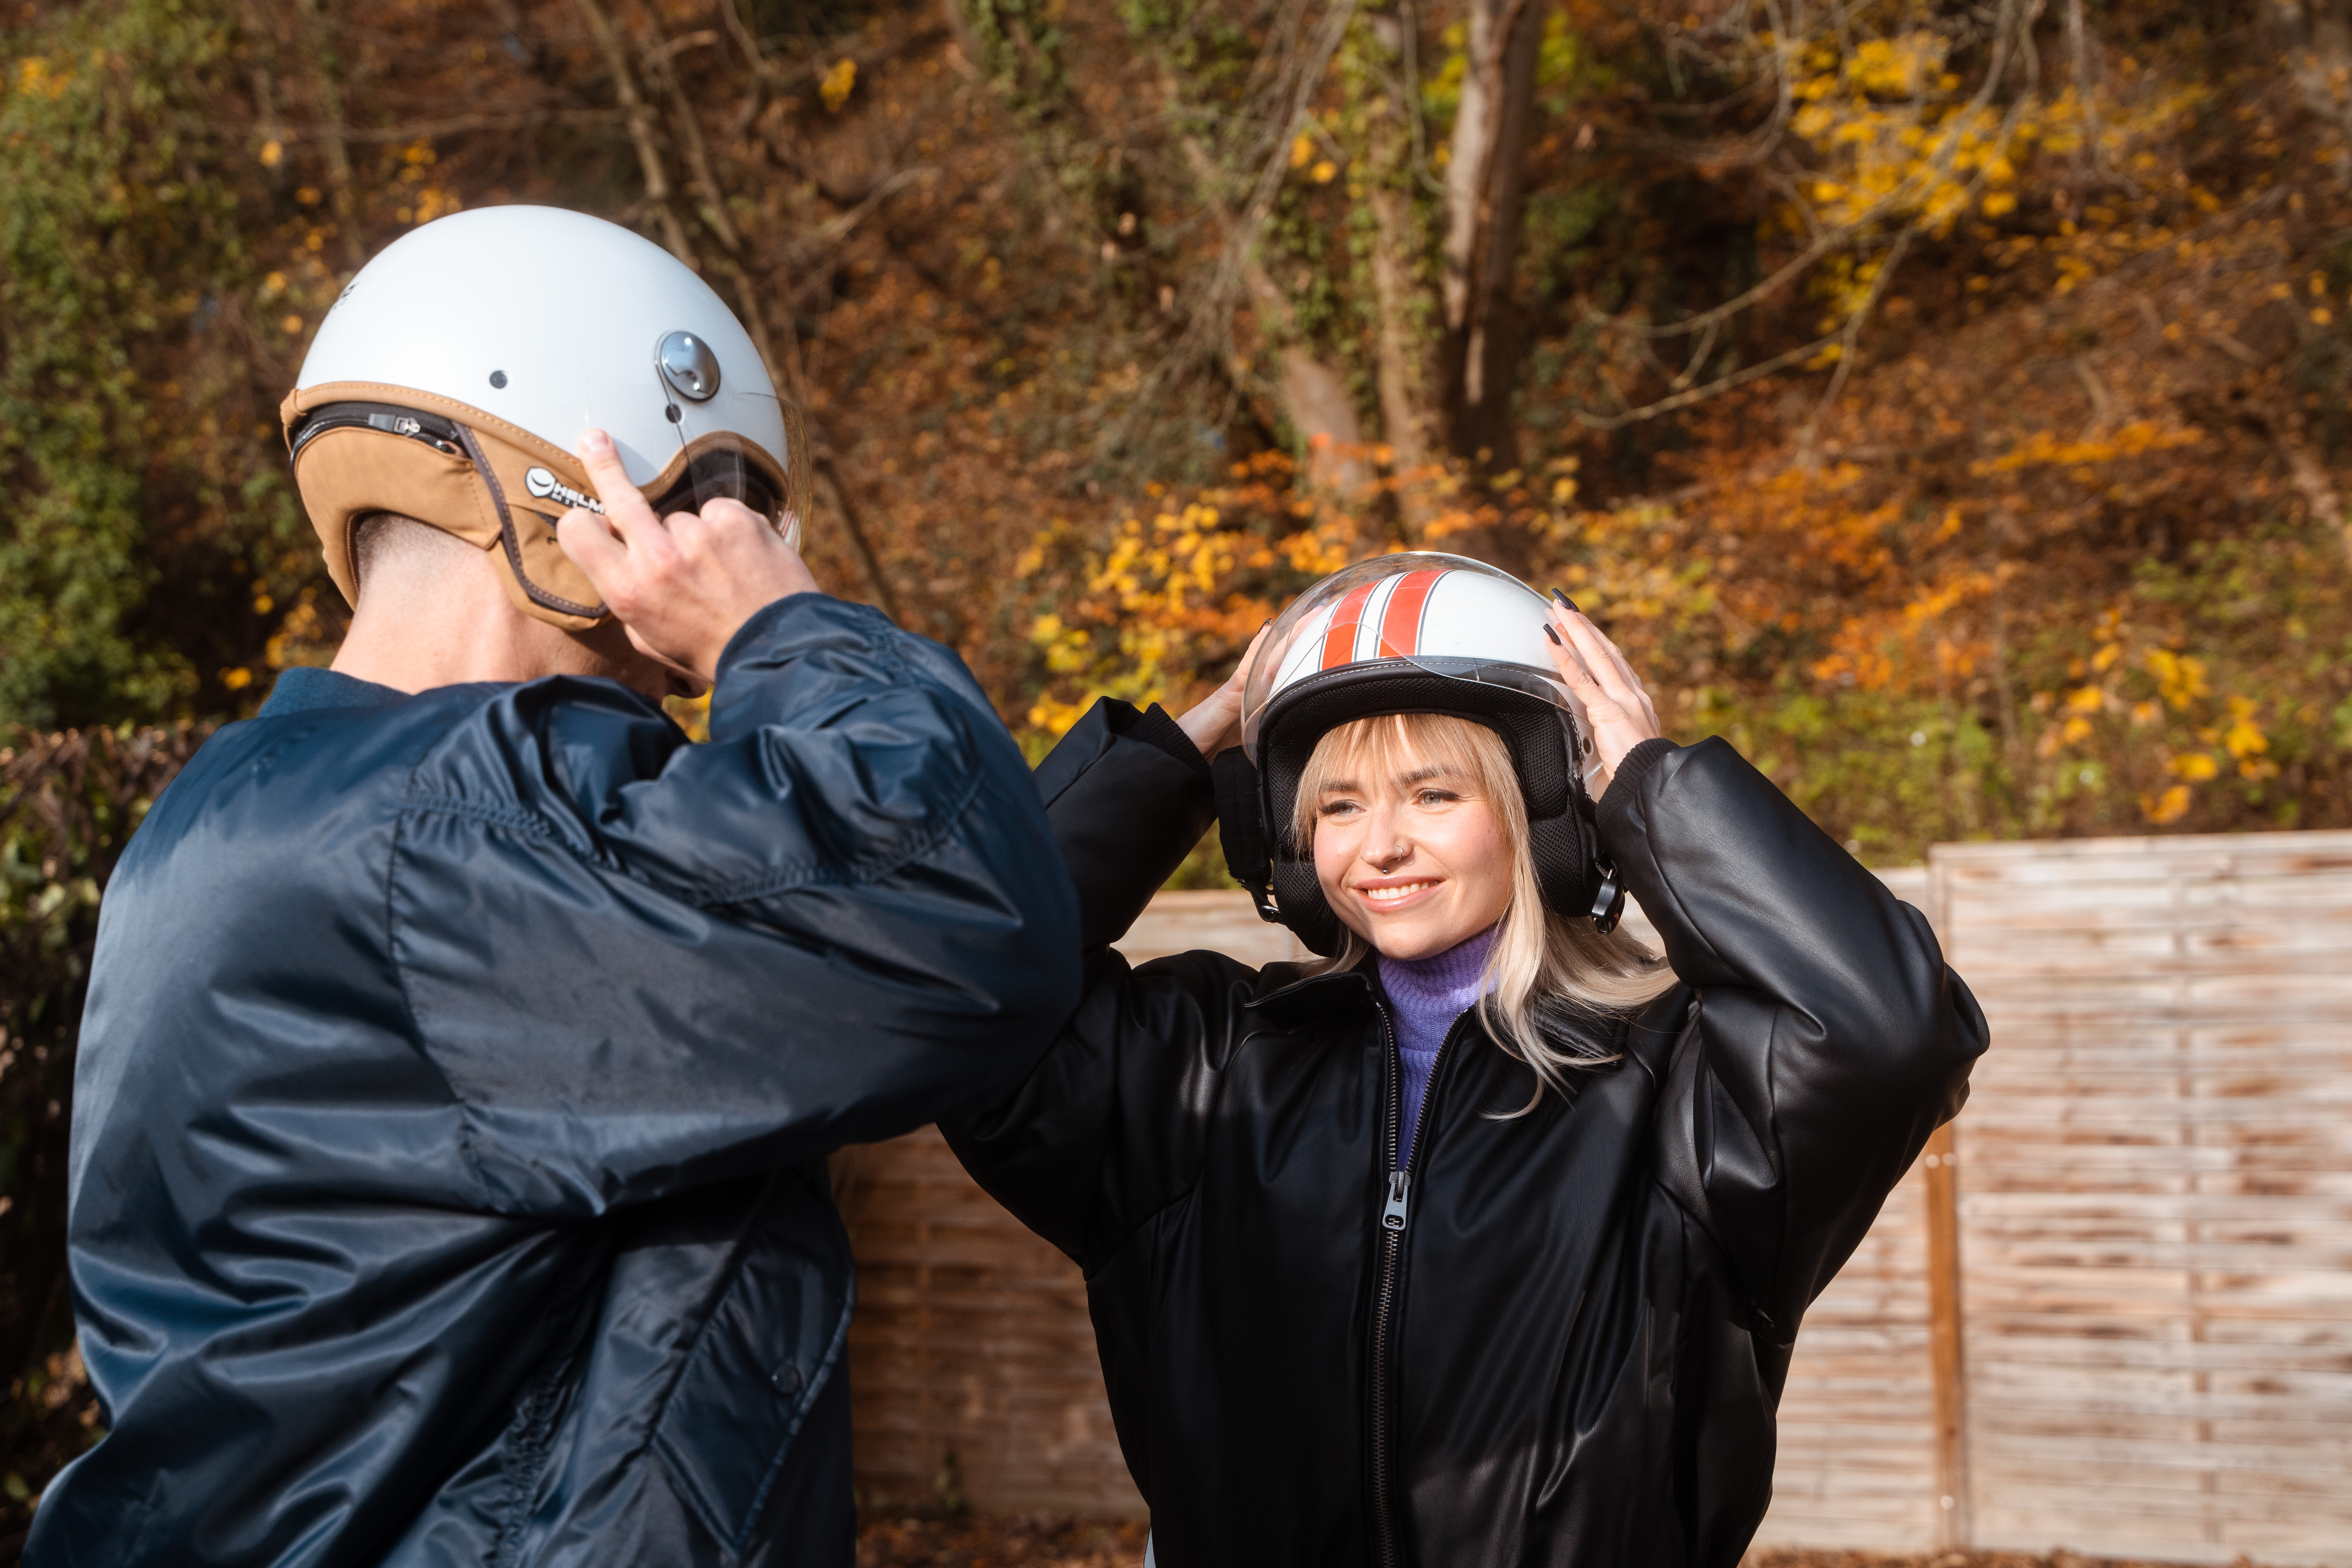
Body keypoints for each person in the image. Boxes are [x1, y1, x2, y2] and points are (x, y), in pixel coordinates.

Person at [28, 207, 1079, 1567]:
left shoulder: (275, 811)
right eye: (704, 506)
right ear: (573, 504)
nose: (705, 565)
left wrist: (1158, 762)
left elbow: (843, 949)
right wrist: (776, 625)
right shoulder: (451, 826)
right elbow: (948, 917)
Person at [946, 553, 1988, 1568]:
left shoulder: (1684, 1087)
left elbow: (1887, 1027)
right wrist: (1176, 759)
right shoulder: (1199, 1067)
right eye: (1337, 805)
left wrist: (1652, 786)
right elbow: (955, 991)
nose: (1379, 846)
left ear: (1545, 814)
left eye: (1434, 795)